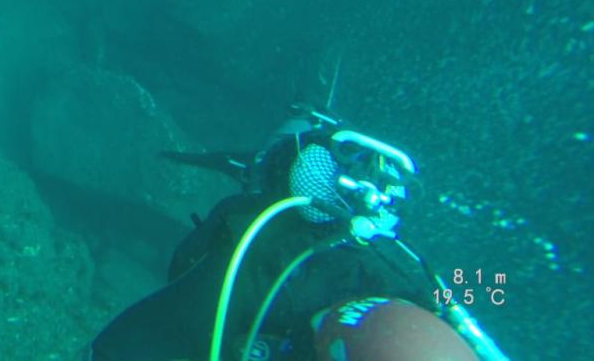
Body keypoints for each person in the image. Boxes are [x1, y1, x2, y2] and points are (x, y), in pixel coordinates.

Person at [88, 106, 506, 360]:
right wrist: (496, 285)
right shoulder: (403, 264)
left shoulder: (255, 259)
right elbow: (470, 291)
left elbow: (122, 344)